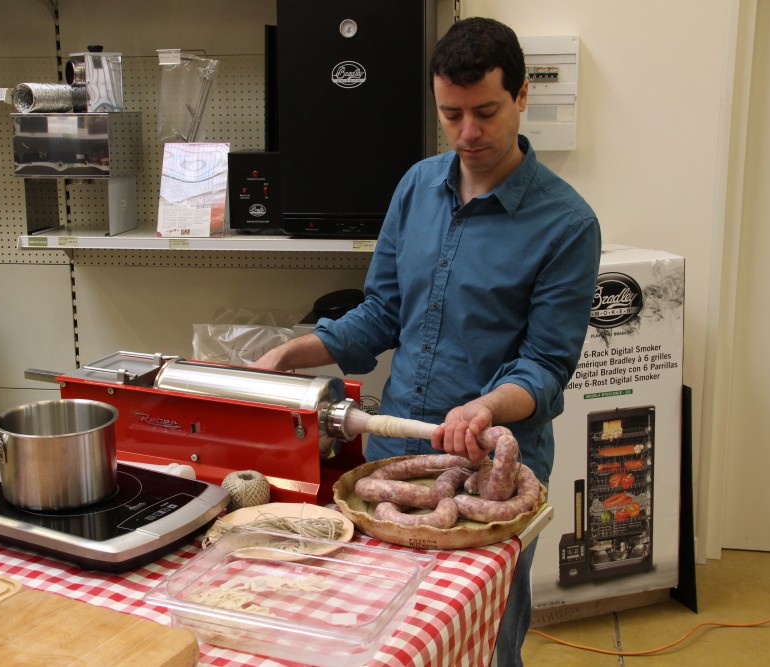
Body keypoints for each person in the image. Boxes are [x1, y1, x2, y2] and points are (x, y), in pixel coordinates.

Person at [253, 16, 600, 666]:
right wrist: (291, 352)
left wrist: (485, 408)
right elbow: (381, 315)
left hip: (489, 476)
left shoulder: (567, 224)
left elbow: (547, 366)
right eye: (451, 114)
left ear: (522, 96)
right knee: (386, 634)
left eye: (486, 112)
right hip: (390, 457)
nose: (468, 133)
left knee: (483, 643)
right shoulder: (415, 187)